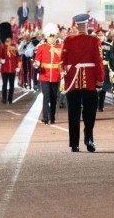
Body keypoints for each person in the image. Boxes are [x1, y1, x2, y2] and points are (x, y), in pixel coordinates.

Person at [61, 14, 105, 152]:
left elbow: (63, 61)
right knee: (89, 113)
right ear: (87, 25)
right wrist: (99, 81)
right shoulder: (94, 40)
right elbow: (99, 62)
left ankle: (74, 143)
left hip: (72, 80)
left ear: (76, 25)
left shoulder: (68, 40)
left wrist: (65, 77)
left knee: (73, 113)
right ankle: (89, 138)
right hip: (90, 80)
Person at [33, 25, 62, 124]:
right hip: (44, 75)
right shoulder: (41, 47)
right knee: (46, 96)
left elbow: (63, 61)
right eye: (50, 36)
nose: (51, 38)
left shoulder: (60, 47)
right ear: (46, 37)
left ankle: (52, 117)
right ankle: (45, 117)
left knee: (54, 97)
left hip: (56, 75)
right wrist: (36, 64)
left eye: (53, 36)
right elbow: (37, 60)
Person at [0, 22, 19, 104]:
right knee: (5, 85)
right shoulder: (1, 47)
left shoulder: (14, 45)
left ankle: (10, 99)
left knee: (12, 85)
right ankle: (4, 98)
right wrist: (2, 60)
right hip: (5, 68)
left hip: (12, 68)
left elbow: (17, 57)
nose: (9, 38)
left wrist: (17, 66)